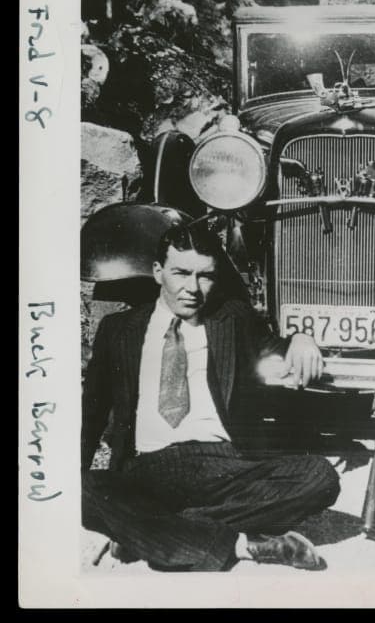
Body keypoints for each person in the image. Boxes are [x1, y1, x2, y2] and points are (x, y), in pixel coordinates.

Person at [82, 221, 341, 572]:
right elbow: (91, 411)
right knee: (80, 488)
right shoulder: (118, 329)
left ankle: (151, 532)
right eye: (180, 273)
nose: (192, 288)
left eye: (204, 276)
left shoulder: (232, 319)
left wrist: (302, 339)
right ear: (158, 272)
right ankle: (244, 545)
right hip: (147, 467)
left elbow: (277, 347)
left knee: (319, 476)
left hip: (223, 464)